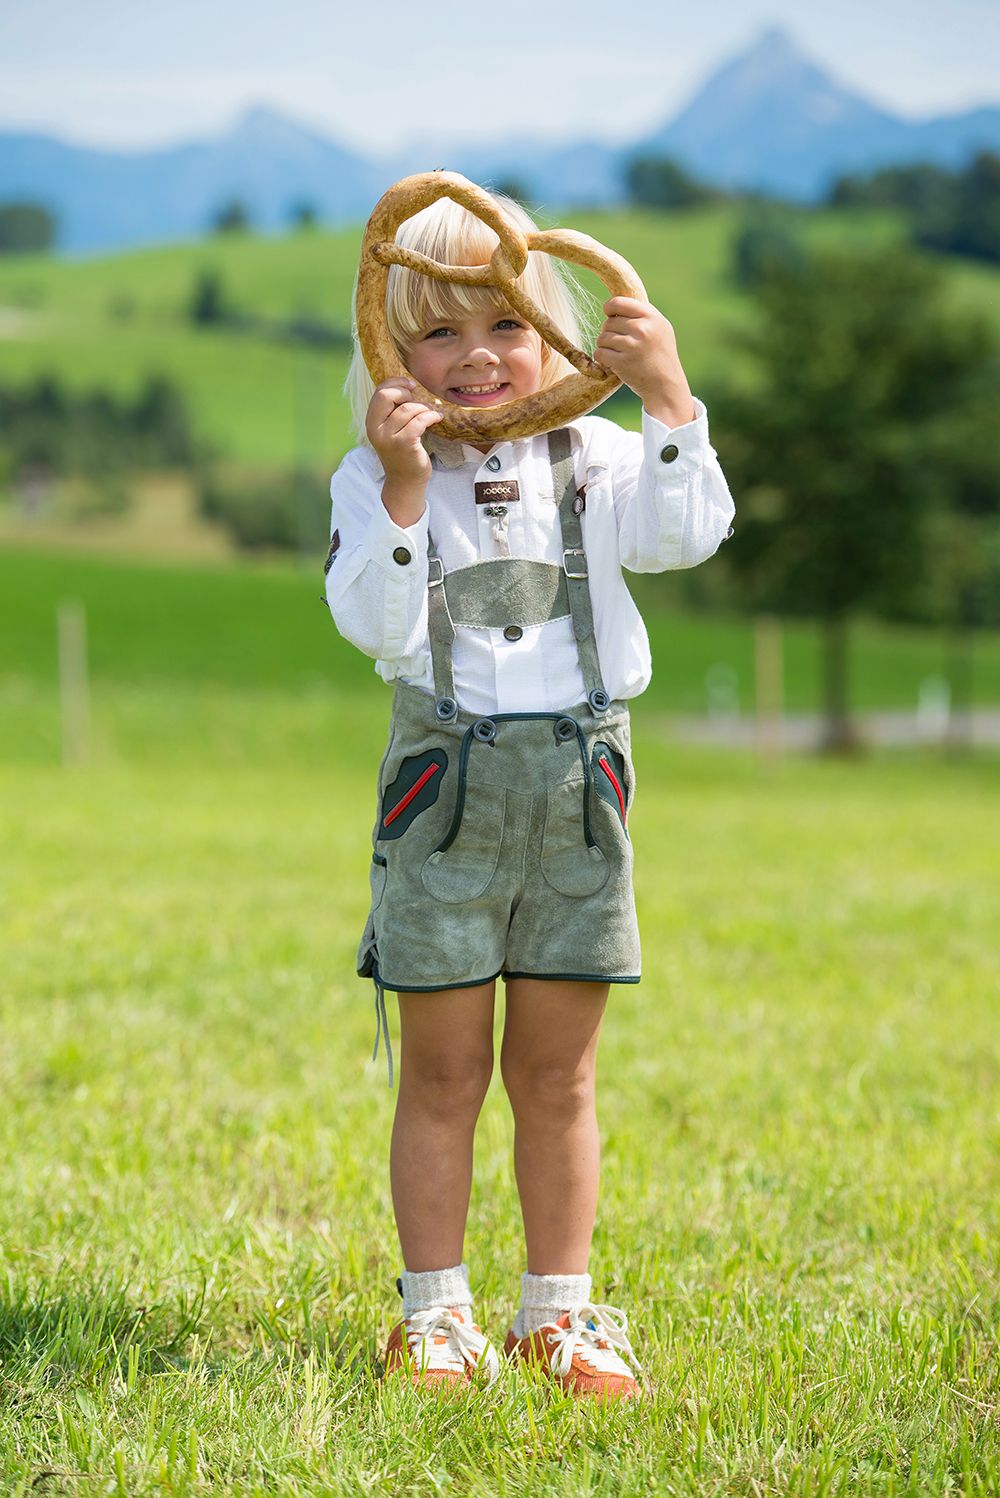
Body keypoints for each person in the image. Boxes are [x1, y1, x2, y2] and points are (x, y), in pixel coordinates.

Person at [324, 188, 735, 1399]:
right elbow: (380, 629)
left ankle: (558, 1314)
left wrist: (667, 397)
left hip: (578, 782)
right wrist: (405, 489)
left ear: (549, 329)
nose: (472, 359)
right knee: (441, 1072)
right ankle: (433, 1313)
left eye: (498, 326)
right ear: (389, 353)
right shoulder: (374, 476)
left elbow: (682, 537)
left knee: (557, 1075)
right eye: (434, 335)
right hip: (441, 784)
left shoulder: (602, 455)